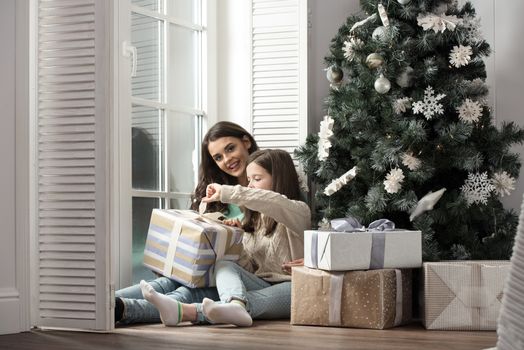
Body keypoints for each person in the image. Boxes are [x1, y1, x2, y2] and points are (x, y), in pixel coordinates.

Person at [139, 149, 311, 327]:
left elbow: (272, 201)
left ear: (279, 179)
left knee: (252, 300)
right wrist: (237, 239)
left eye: (257, 179)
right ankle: (234, 304)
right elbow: (249, 267)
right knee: (225, 265)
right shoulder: (255, 221)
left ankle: (184, 311)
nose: (250, 185)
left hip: (293, 285)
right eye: (249, 179)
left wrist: (227, 193)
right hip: (261, 283)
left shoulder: (298, 211)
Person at [115, 121, 259, 325]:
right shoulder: (214, 196)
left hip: (234, 278)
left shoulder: (266, 190)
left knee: (185, 292)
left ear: (246, 142)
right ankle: (105, 302)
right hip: (204, 272)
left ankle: (119, 309)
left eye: (230, 148)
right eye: (218, 157)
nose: (227, 160)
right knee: (166, 282)